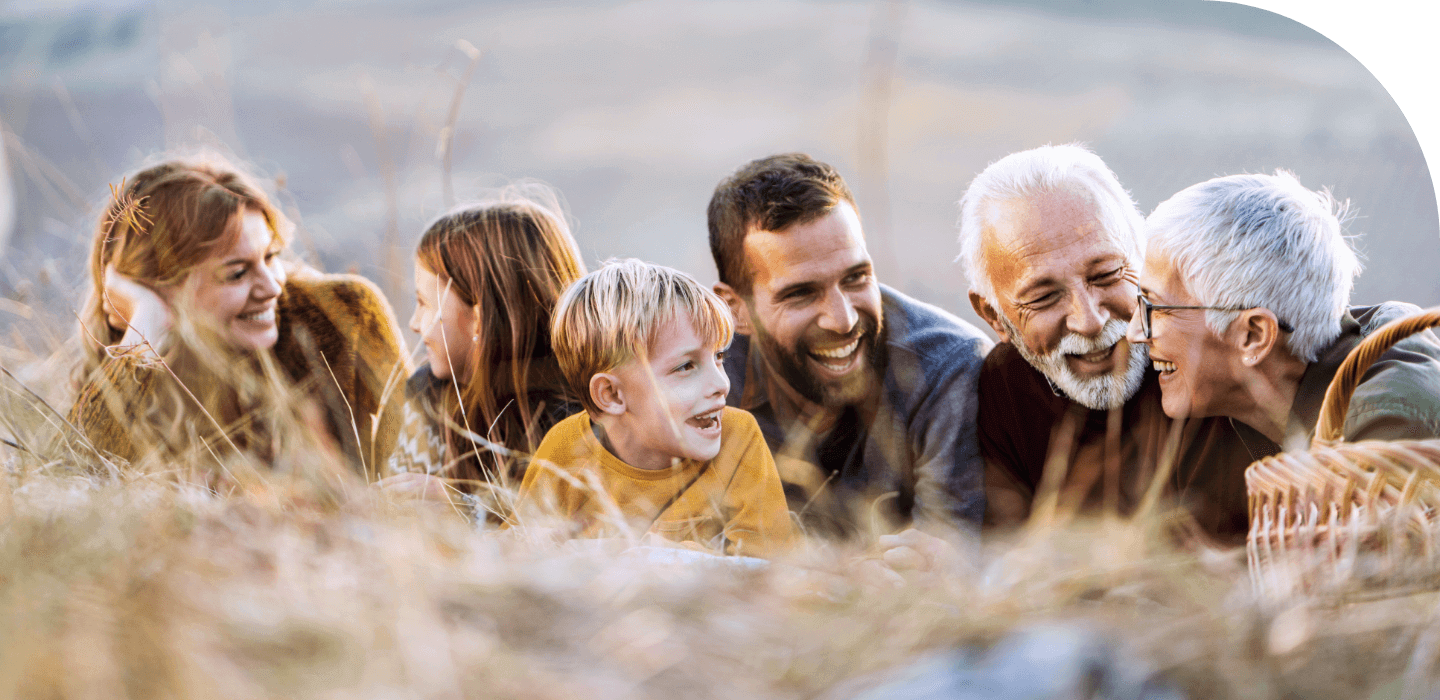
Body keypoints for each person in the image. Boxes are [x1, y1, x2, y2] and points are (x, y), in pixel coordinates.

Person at [954, 144, 1253, 539]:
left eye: (1107, 275)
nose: (1090, 321)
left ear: (1145, 257)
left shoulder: (1216, 353)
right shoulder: (1003, 389)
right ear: (995, 316)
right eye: (1044, 297)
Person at [708, 153, 991, 539]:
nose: (842, 320)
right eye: (801, 294)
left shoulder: (947, 367)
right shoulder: (697, 382)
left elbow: (945, 559)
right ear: (735, 309)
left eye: (856, 278)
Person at [70, 155, 409, 477]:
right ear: (161, 290)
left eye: (271, 256)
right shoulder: (137, 355)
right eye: (237, 274)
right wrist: (144, 330)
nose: (271, 287)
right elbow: (72, 477)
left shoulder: (342, 314)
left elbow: (428, 465)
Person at [1129, 170, 1440, 458]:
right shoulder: (1267, 413)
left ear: (1254, 336)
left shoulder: (1387, 437)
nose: (1134, 333)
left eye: (1155, 307)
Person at [516, 259, 794, 558]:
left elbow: (772, 566)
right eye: (686, 366)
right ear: (610, 394)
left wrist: (667, 558)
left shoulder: (739, 437)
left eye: (718, 357)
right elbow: (515, 551)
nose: (721, 383)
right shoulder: (565, 450)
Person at [383, 189, 587, 520]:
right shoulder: (429, 391)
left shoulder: (579, 416)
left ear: (479, 317)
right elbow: (401, 499)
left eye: (424, 304)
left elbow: (577, 530)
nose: (414, 323)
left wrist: (462, 509)